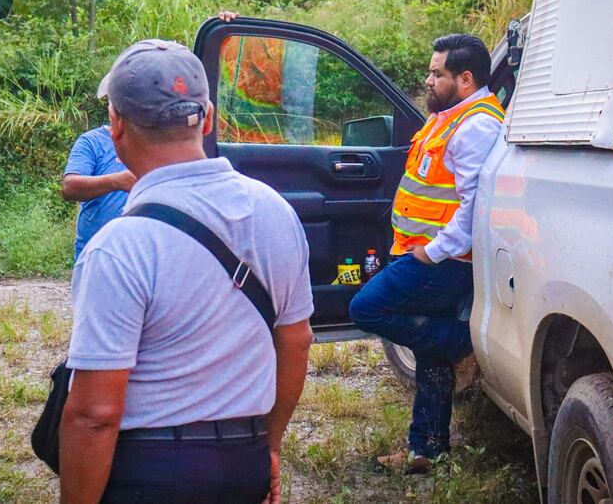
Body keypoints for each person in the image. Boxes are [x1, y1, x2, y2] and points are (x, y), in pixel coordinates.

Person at [58, 39, 314, 504]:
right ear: (209, 117)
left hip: (151, 471)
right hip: (245, 460)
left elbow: (95, 415)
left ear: (116, 124)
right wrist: (269, 446)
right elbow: (296, 340)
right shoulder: (275, 210)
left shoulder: (118, 246)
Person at [348, 34, 505, 474]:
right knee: (429, 347)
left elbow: (475, 208)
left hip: (444, 262)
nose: (428, 80)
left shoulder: (477, 126)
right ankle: (427, 449)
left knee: (366, 308)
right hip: (421, 253)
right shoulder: (449, 116)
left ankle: (466, 345)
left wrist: (432, 254)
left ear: (465, 78)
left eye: (437, 73)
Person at [61, 125, 135, 262]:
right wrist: (118, 181)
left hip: (142, 251)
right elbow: (69, 187)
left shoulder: (156, 141)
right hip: (96, 251)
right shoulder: (92, 141)